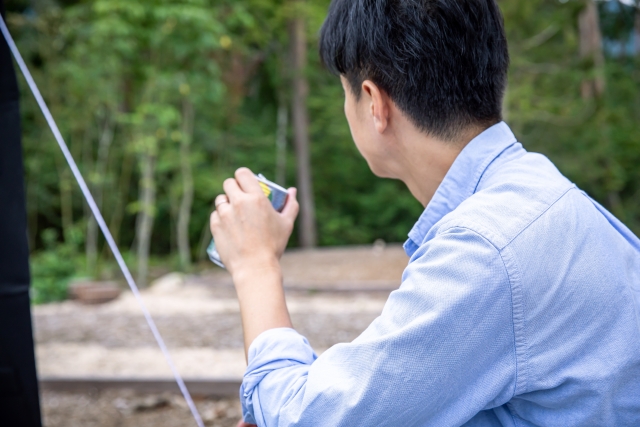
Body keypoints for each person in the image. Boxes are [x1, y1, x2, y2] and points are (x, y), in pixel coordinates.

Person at [209, 0, 640, 425]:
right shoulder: (544, 196)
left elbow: (303, 419)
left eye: (345, 92)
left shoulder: (486, 249)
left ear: (374, 102)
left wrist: (254, 264)